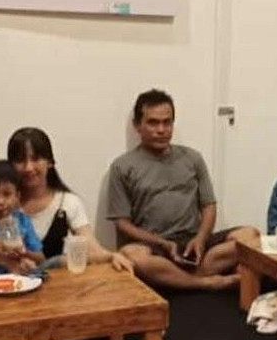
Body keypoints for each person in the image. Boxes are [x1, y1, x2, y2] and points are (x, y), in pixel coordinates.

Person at [108, 89, 260, 290]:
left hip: (194, 243)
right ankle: (203, 283)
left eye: (167, 122)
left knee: (251, 235)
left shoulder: (192, 158)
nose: (161, 130)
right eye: (153, 123)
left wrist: (201, 239)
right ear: (138, 125)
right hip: (155, 247)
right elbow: (122, 223)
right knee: (132, 256)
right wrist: (161, 243)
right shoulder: (122, 166)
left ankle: (183, 278)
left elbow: (209, 205)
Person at [7, 127, 133, 272]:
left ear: (50, 162)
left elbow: (90, 246)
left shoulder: (67, 202)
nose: (28, 167)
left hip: (55, 281)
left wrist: (111, 256)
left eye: (36, 159)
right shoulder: (0, 205)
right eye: (20, 160)